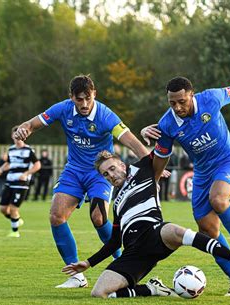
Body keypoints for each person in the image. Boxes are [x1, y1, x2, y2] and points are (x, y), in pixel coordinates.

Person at [140, 55, 230, 296]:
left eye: (181, 101)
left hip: (229, 159)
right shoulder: (168, 123)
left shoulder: (211, 98)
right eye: (172, 103)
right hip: (202, 172)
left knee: (219, 200)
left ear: (192, 94)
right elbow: (161, 156)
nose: (178, 107)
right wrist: (154, 182)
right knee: (207, 231)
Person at [12, 75, 150, 288]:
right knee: (56, 216)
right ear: (72, 98)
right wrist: (24, 129)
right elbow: (32, 124)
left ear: (94, 94)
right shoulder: (63, 109)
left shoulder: (106, 116)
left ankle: (122, 264)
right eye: (79, 100)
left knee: (98, 217)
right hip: (74, 170)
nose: (84, 104)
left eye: (88, 98)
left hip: (99, 172)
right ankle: (76, 276)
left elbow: (131, 141)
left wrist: (151, 166)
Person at [62, 150, 230, 298]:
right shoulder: (116, 204)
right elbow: (114, 242)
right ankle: (152, 289)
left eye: (112, 169)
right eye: (105, 174)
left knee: (176, 231)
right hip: (134, 252)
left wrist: (149, 130)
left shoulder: (143, 168)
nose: (111, 175)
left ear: (122, 164)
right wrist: (88, 263)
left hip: (155, 232)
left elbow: (163, 146)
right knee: (99, 293)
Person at [0, 126, 41, 237]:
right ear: (12, 136)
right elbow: (9, 163)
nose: (17, 137)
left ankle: (15, 232)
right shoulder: (11, 150)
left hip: (21, 183)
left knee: (13, 208)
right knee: (2, 209)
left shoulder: (28, 150)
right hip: (10, 181)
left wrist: (26, 174)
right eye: (15, 134)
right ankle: (17, 219)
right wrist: (1, 169)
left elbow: (37, 165)